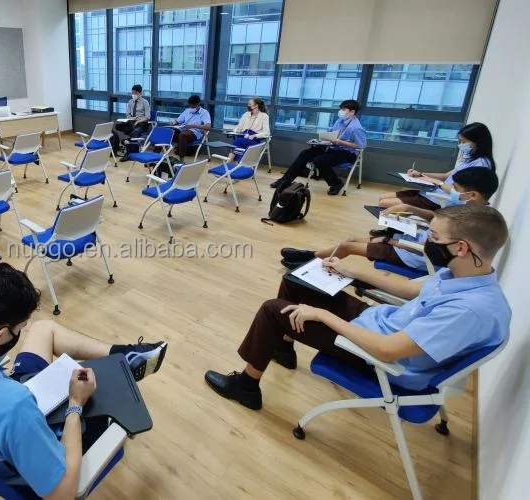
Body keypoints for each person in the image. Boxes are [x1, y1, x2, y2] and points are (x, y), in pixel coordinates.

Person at [204, 204, 510, 410]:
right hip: (377, 322)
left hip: (374, 355)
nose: (426, 242)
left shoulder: (468, 310)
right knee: (296, 281)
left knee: (273, 310)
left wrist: (321, 314)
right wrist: (349, 271)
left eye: (434, 237)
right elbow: (409, 290)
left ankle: (246, 387)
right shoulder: (461, 275)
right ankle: (283, 348)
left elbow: (387, 351)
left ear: (461, 247)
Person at [0, 263, 168, 498]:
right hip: (22, 454)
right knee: (101, 393)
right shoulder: (13, 407)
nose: (20, 333)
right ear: (1, 334)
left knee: (43, 329)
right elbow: (63, 494)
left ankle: (125, 355)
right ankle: (118, 370)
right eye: (19, 329)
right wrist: (75, 404)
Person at [279, 167, 499, 276]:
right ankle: (312, 256)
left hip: (414, 254)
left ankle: (310, 263)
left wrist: (389, 241)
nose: (451, 191)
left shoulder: (471, 223)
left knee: (349, 245)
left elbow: (428, 247)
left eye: (456, 189)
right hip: (411, 242)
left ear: (472, 194)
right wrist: (410, 209)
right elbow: (438, 220)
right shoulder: (475, 212)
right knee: (352, 239)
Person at [378, 122, 495, 210]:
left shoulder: (481, 165)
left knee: (384, 203)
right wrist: (421, 174)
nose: (460, 145)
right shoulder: (470, 159)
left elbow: (463, 196)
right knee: (383, 197)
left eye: (464, 142)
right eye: (459, 142)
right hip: (433, 193)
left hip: (442, 200)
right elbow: (446, 175)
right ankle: (390, 229)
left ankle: (392, 231)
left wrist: (438, 183)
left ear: (478, 141)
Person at [271, 99, 367, 196]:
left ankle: (336, 183)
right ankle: (284, 181)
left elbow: (361, 145)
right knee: (305, 153)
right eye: (340, 109)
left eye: (343, 109)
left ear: (352, 112)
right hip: (333, 147)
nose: (340, 111)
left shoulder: (356, 127)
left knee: (319, 160)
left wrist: (340, 142)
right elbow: (334, 136)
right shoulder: (339, 121)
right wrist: (321, 141)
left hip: (347, 153)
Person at [224, 97, 270, 165]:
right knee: (238, 141)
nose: (248, 105)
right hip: (243, 136)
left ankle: (230, 160)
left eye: (250, 104)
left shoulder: (264, 116)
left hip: (254, 140)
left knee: (237, 141)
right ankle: (235, 162)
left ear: (256, 105)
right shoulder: (246, 114)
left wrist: (255, 135)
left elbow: (267, 133)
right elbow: (239, 127)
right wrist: (234, 131)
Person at [168, 95, 211, 164]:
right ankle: (156, 155)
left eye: (193, 107)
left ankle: (181, 160)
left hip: (195, 132)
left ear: (198, 104)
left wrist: (192, 126)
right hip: (183, 129)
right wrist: (173, 122)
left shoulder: (204, 113)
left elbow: (208, 127)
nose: (191, 108)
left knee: (183, 135)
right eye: (190, 106)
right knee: (167, 131)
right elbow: (178, 121)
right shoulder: (187, 111)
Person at [115, 84, 151, 162]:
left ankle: (128, 154)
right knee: (117, 126)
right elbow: (128, 115)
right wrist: (132, 119)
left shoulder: (145, 102)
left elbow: (147, 117)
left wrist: (138, 121)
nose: (133, 94)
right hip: (132, 122)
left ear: (140, 93)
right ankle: (128, 140)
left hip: (142, 123)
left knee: (134, 132)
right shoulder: (130, 102)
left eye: (135, 93)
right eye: (132, 93)